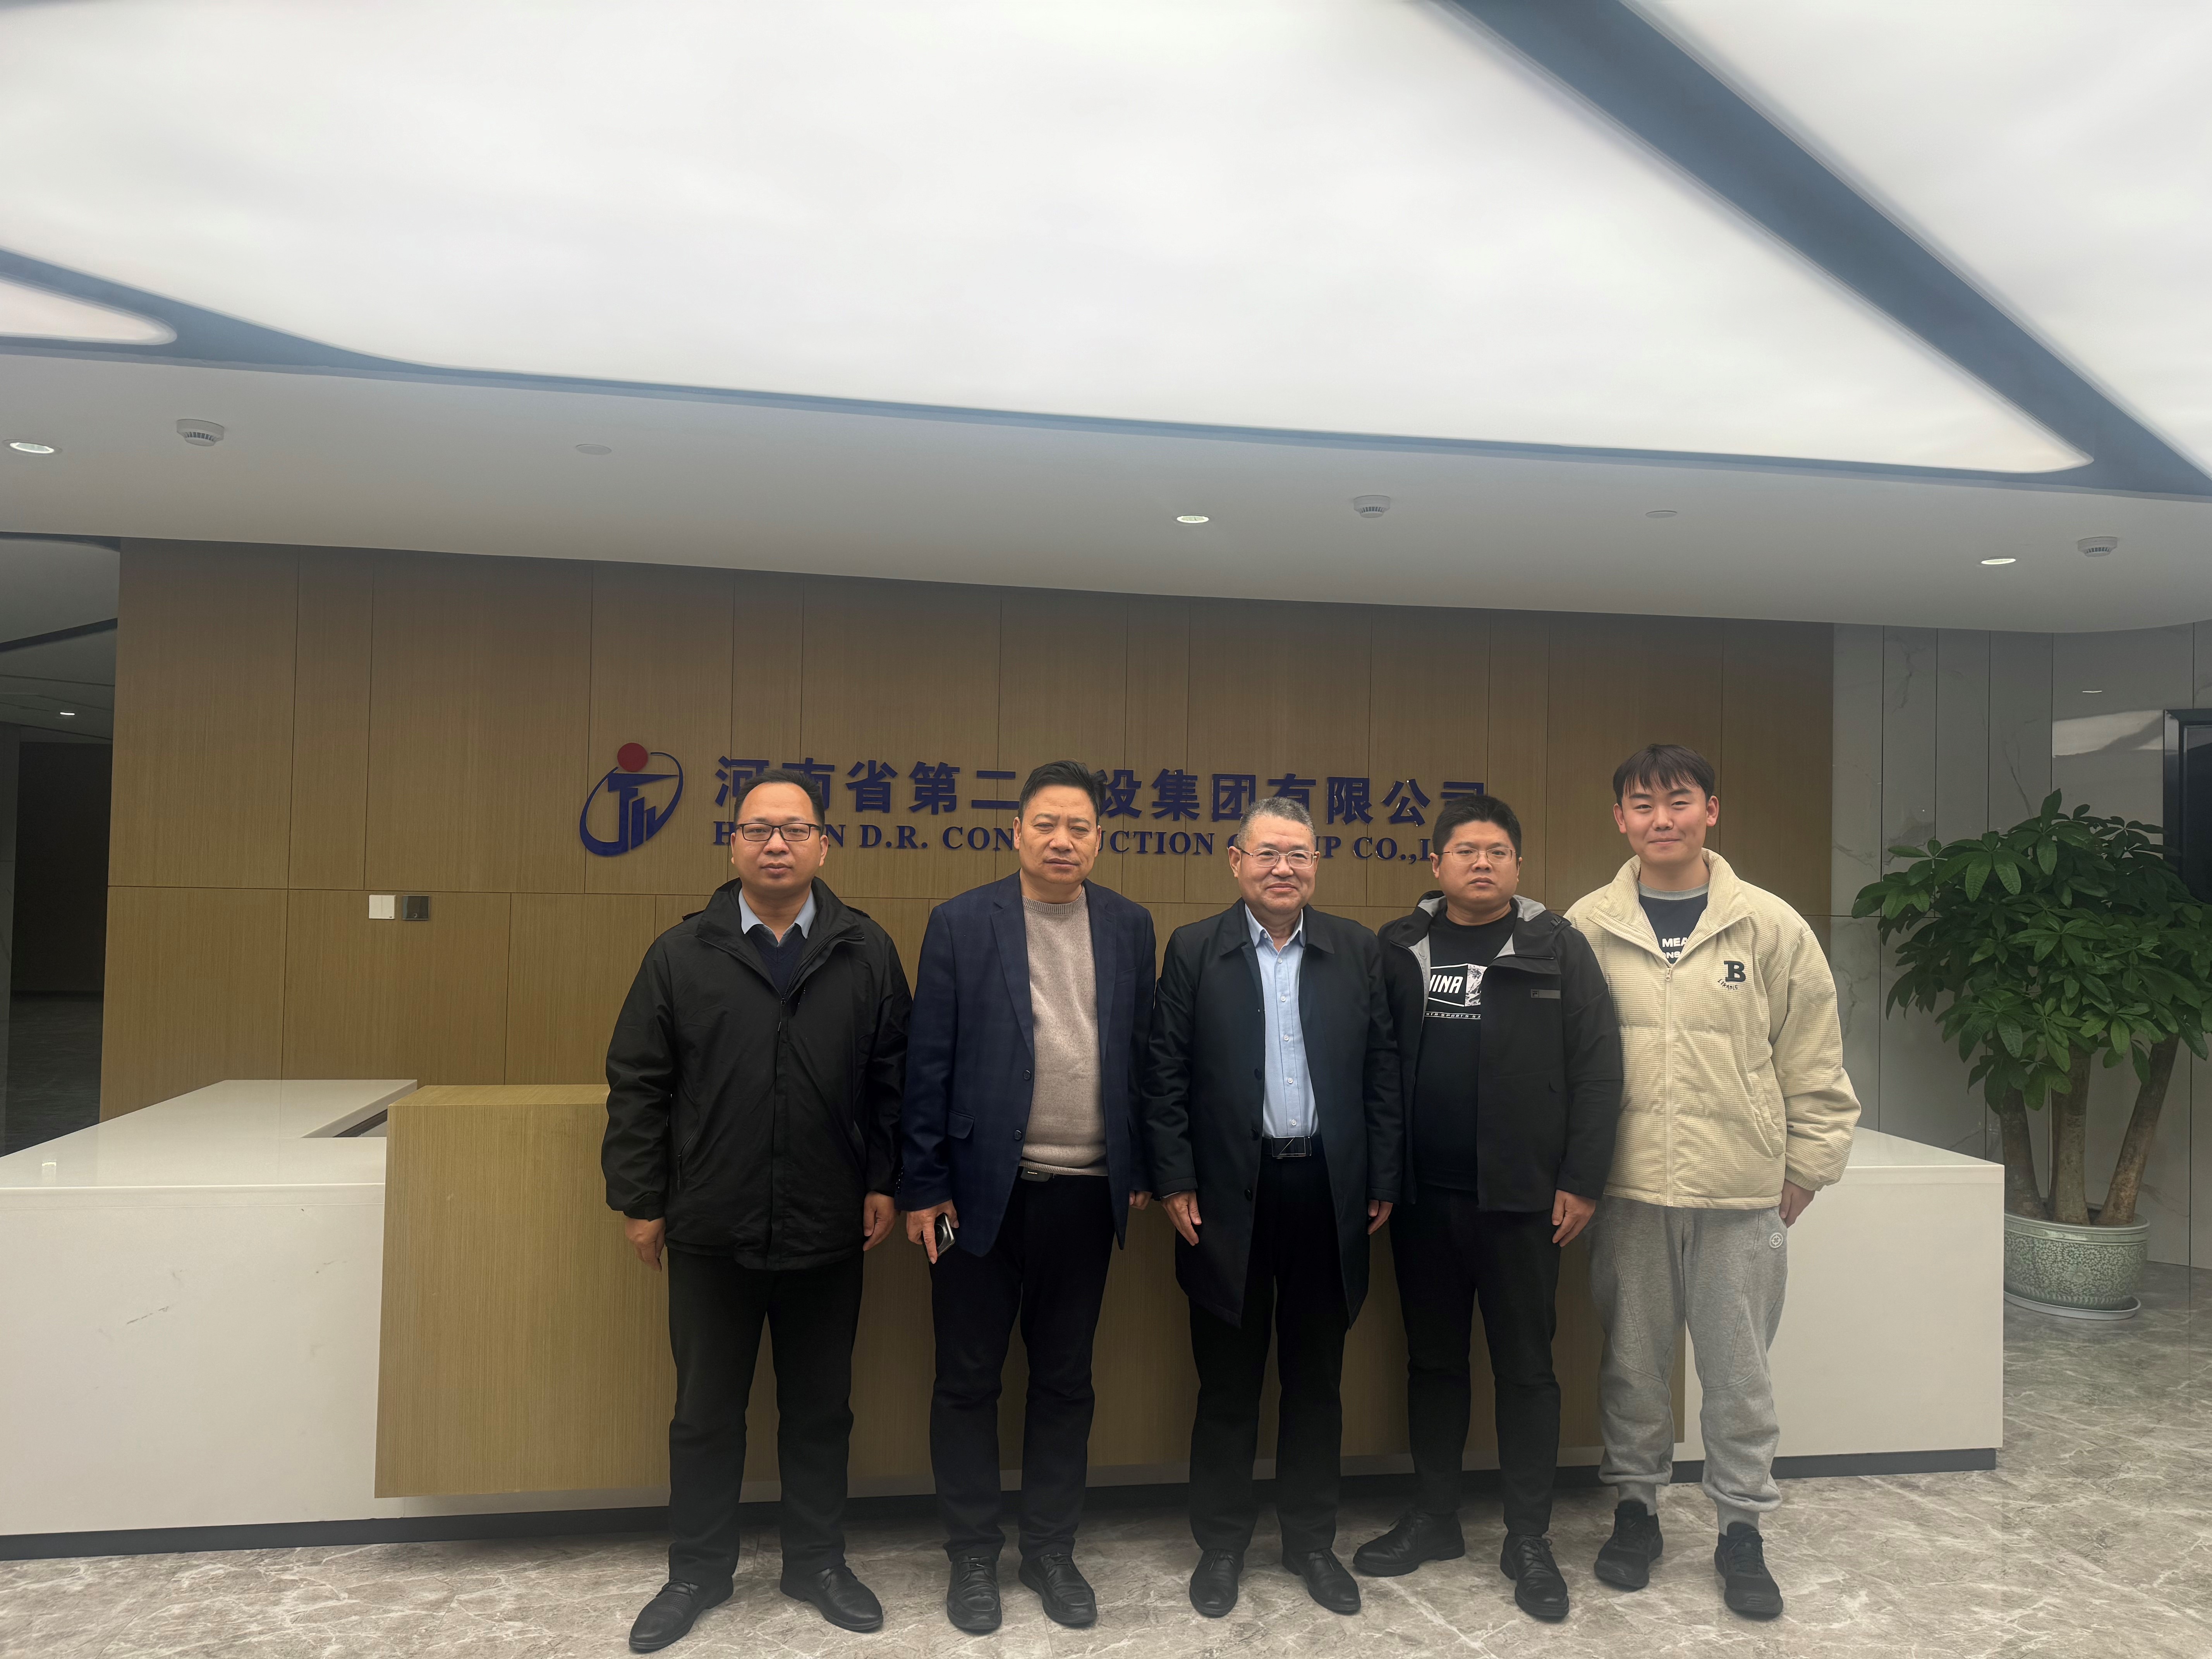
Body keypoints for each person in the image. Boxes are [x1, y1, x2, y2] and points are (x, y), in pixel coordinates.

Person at [602, 767, 910, 1651]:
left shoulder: (865, 949)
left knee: (821, 1410)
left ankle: (817, 1562)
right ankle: (697, 1571)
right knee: (705, 1414)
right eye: (758, 830)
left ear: (824, 846)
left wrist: (884, 1179)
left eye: (795, 830)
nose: (777, 844)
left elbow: (894, 1078)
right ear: (733, 845)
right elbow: (639, 1084)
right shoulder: (681, 953)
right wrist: (641, 1201)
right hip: (711, 1223)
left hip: (828, 1222)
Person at [1564, 744, 1859, 1621]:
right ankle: (1636, 1510)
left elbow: (1812, 1055)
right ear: (1620, 819)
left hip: (1740, 1192)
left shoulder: (1769, 925)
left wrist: (1807, 1166)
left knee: (1739, 1375)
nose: (1662, 818)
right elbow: (1562, 1064)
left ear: (1711, 811)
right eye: (1643, 804)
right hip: (1626, 1190)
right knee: (1632, 1365)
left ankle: (1741, 1528)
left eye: (1679, 800)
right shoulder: (1587, 927)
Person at [898, 761, 1159, 1635]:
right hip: (975, 1198)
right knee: (966, 1380)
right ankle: (972, 1554)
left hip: (1086, 1193)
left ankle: (1051, 1550)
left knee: (1066, 1380)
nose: (1061, 840)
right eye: (1046, 824)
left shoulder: (1128, 925)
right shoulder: (960, 922)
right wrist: (924, 1185)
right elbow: (927, 1064)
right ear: (1015, 831)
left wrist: (1147, 1165)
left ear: (1099, 839)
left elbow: (1143, 1055)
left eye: (1079, 827)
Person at [1358, 792, 1622, 1621]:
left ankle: (1528, 1537)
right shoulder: (1397, 947)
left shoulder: (1556, 945)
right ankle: (1436, 1517)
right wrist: (1380, 1176)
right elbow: (1371, 1064)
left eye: (1497, 851)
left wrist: (1582, 1179)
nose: (1482, 863)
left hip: (1523, 1202)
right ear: (1435, 864)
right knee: (1432, 1363)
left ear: (1518, 864)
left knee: (1527, 1369)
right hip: (1422, 1200)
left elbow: (1599, 1067)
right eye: (1466, 850)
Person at [1142, 796, 1402, 1620]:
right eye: (1267, 854)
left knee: (1316, 1380)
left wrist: (1382, 1176)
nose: (1283, 868)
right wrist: (1175, 1178)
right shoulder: (1195, 949)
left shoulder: (1355, 949)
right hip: (1226, 1196)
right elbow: (1164, 1073)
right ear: (1236, 861)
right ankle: (1221, 1545)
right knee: (1228, 1382)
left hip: (1327, 1191)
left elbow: (1383, 1072)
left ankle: (1311, 1541)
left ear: (1316, 865)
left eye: (1298, 854)